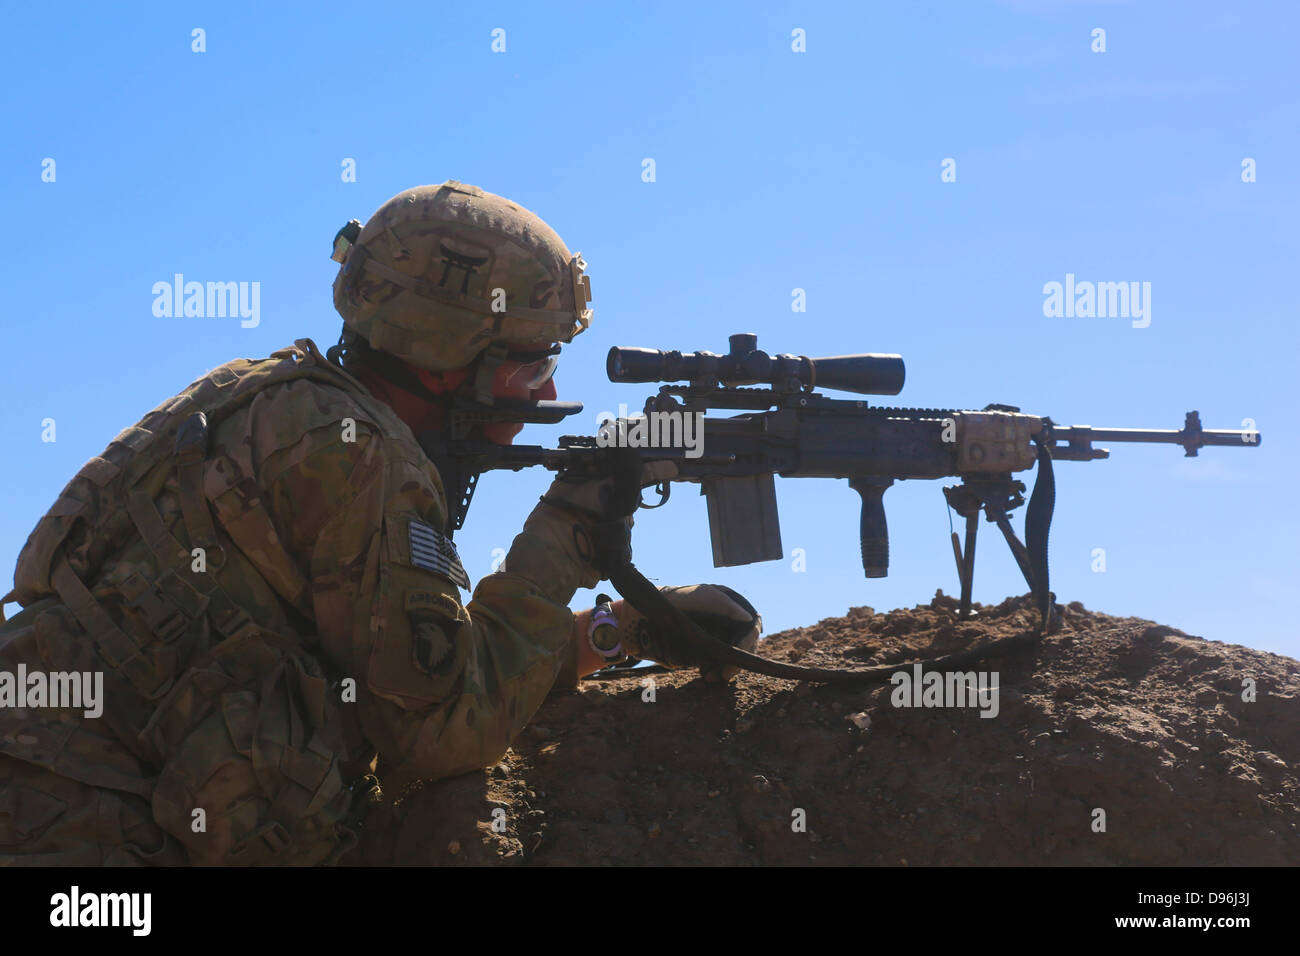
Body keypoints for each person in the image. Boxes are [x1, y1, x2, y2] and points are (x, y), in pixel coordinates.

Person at [0, 181, 759, 866]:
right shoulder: (364, 457)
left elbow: (397, 657)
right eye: (530, 366)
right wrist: (562, 538)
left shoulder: (259, 397)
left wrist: (607, 635)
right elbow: (435, 732)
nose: (547, 390)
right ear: (442, 359)